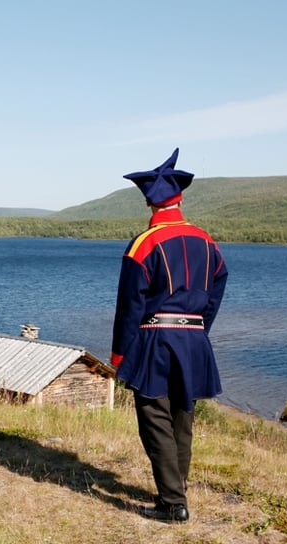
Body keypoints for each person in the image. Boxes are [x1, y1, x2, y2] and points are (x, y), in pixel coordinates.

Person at [110, 147, 228, 523]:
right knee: (182, 417)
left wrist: (119, 355)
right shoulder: (207, 241)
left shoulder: (144, 244)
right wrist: (199, 328)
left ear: (150, 203)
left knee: (153, 416)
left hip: (154, 340)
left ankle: (173, 503)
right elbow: (219, 283)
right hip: (194, 341)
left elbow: (130, 306)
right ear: (179, 198)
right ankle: (177, 490)